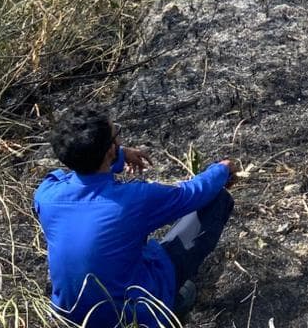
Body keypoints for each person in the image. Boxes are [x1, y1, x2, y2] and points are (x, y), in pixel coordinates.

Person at [33, 106, 234, 327]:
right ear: (109, 149)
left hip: (70, 315)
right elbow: (192, 194)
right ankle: (169, 304)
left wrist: (118, 156)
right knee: (217, 198)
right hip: (134, 317)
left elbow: (78, 176)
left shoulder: (46, 195)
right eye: (115, 135)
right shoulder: (132, 199)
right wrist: (221, 170)